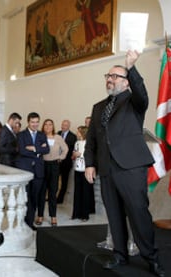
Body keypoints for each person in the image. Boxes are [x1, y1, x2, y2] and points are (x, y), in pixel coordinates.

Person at [84, 50, 164, 276]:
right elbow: (91, 140)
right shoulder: (98, 107)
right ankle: (120, 255)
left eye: (115, 76)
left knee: (138, 214)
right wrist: (90, 163)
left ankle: (152, 258)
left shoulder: (134, 101)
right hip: (107, 169)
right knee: (114, 215)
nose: (110, 79)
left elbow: (142, 93)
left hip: (131, 168)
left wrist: (131, 66)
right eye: (107, 76)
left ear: (126, 82)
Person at [15, 112, 49, 230]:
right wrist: (39, 150)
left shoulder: (41, 135)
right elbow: (22, 151)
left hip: (39, 171)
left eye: (37, 122)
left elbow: (47, 150)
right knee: (24, 197)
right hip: (25, 170)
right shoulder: (21, 135)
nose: (35, 124)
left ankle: (29, 223)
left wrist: (33, 148)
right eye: (32, 122)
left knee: (34, 197)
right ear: (28, 122)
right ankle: (21, 222)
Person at [37, 119, 68, 226]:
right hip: (42, 165)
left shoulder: (58, 137)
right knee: (41, 192)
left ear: (53, 126)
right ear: (43, 126)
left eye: (50, 124)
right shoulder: (40, 136)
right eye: (46, 124)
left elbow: (65, 149)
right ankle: (40, 215)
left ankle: (53, 216)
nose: (48, 126)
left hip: (54, 166)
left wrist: (61, 157)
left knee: (52, 192)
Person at [71, 126, 94, 221]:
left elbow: (91, 156)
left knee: (86, 193)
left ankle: (85, 215)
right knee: (77, 191)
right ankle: (76, 213)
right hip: (77, 169)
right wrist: (74, 155)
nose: (77, 133)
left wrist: (80, 154)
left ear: (83, 133)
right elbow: (73, 156)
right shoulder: (76, 143)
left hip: (86, 170)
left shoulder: (89, 144)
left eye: (78, 132)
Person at [57, 119, 77, 204]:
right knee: (53, 180)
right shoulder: (57, 134)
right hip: (56, 161)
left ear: (68, 126)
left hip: (66, 163)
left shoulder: (73, 136)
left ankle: (60, 199)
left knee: (64, 182)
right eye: (62, 125)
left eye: (65, 125)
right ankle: (51, 196)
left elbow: (72, 150)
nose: (63, 127)